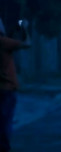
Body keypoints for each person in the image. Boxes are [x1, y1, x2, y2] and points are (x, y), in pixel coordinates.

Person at [0, 18, 30, 152]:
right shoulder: (4, 42)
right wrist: (25, 29)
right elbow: (27, 44)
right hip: (7, 88)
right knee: (6, 121)